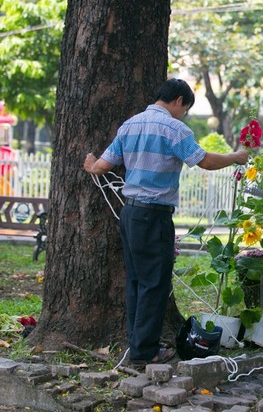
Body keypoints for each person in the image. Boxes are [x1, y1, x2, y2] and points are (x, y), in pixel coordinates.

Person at [84, 78, 248, 366]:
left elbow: (101, 167)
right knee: (155, 284)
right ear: (179, 101)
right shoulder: (175, 128)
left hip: (130, 214)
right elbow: (205, 161)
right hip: (154, 215)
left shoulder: (130, 125)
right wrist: (235, 157)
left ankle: (137, 345)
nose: (182, 114)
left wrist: (89, 162)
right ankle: (145, 352)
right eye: (184, 109)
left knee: (136, 281)